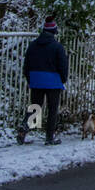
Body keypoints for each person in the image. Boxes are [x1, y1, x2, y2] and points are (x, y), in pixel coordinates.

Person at [17, 16, 69, 145]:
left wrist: (30, 78)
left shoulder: (33, 45)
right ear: (54, 32)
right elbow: (63, 65)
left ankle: (25, 127)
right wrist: (62, 79)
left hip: (36, 79)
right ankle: (49, 137)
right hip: (53, 81)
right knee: (52, 109)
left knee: (36, 107)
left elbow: (27, 64)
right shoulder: (57, 47)